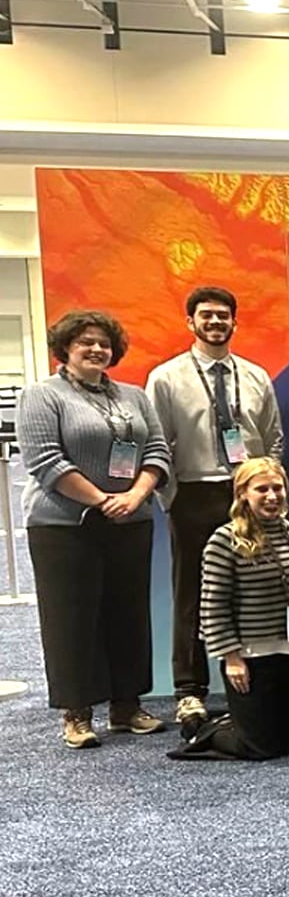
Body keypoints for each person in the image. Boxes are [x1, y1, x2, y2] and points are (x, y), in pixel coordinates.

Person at [22, 310, 171, 749]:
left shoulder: (135, 396)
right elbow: (46, 460)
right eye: (86, 342)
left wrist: (136, 495)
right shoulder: (41, 396)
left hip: (131, 519)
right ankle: (78, 713)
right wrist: (102, 499)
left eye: (103, 343)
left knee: (128, 615)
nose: (96, 349)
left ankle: (126, 706)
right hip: (66, 526)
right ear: (65, 348)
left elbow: (158, 451)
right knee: (72, 619)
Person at [145, 284, 284, 738]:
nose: (216, 322)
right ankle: (190, 689)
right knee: (193, 591)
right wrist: (171, 496)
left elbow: (273, 437)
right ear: (191, 322)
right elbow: (156, 441)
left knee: (258, 584)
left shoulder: (255, 375)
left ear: (234, 322)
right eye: (206, 315)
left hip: (246, 491)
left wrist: (264, 487)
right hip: (194, 491)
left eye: (223, 316)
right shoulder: (166, 378)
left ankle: (257, 673)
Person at [170, 458, 289, 761]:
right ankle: (207, 731)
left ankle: (239, 722)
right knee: (262, 748)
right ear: (242, 494)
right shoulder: (224, 540)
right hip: (251, 657)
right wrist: (232, 657)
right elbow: (211, 605)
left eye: (278, 488)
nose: (272, 496)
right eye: (262, 489)